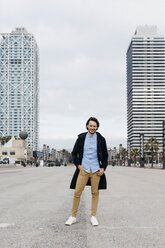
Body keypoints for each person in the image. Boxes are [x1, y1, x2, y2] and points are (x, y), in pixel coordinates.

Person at [65, 117, 108, 226]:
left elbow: (105, 156)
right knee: (77, 192)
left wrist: (103, 168)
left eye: (94, 126)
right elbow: (74, 153)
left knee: (95, 193)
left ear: (97, 127)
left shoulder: (101, 139)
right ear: (87, 126)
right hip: (84, 169)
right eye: (91, 125)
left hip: (96, 170)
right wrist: (78, 165)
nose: (92, 128)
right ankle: (73, 216)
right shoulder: (81, 138)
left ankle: (93, 216)